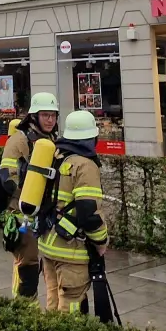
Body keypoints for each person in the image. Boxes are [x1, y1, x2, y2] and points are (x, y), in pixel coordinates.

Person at [37, 110, 110, 313]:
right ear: (92, 137)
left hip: (48, 244)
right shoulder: (85, 165)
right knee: (71, 306)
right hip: (71, 251)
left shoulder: (56, 157)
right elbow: (89, 213)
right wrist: (101, 242)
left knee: (53, 300)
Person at [0, 92, 60, 300]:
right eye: (45, 115)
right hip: (22, 213)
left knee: (45, 265)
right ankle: (22, 309)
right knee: (27, 265)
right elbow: (7, 179)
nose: (50, 120)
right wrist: (29, 194)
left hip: (46, 212)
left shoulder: (52, 139)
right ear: (34, 116)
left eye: (53, 115)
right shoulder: (19, 140)